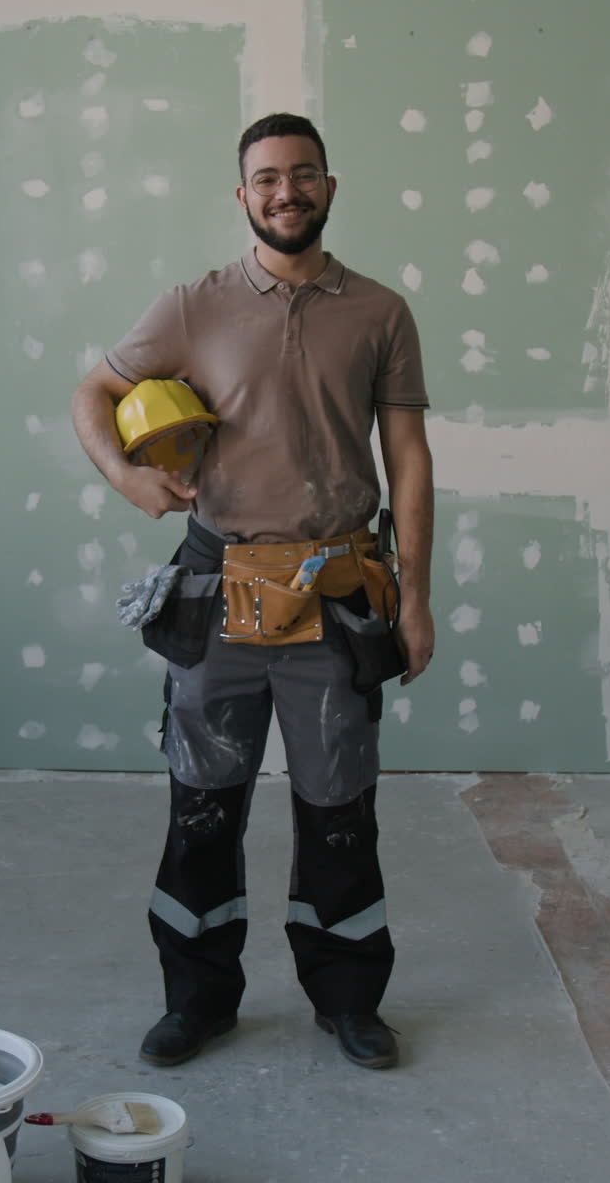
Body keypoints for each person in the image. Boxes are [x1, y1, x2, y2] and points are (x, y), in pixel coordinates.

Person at [72, 112, 434, 1070]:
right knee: (202, 809)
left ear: (328, 185)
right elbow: (92, 392)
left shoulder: (381, 311)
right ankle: (198, 1002)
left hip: (340, 593)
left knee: (341, 814)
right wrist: (129, 477)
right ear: (243, 195)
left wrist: (419, 597)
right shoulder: (193, 306)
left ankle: (348, 1001)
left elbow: (408, 456)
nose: (286, 191)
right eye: (267, 178)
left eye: (303, 174)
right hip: (217, 591)